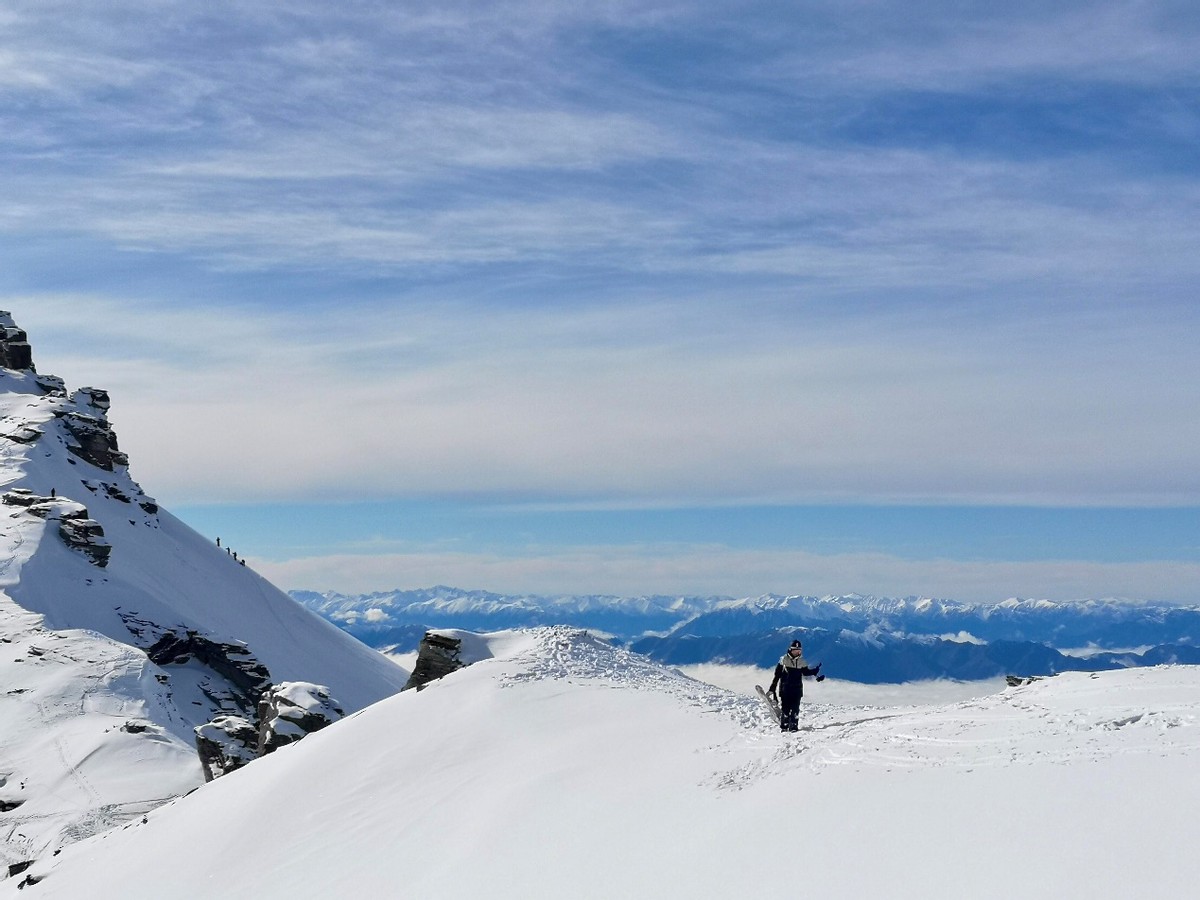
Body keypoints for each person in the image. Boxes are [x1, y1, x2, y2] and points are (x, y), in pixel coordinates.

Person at [767, 639, 822, 732]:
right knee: (786, 709)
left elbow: (805, 672)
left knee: (795, 709)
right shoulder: (783, 660)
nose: (797, 652)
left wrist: (814, 671)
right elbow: (777, 675)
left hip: (797, 690)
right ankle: (784, 726)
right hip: (785, 690)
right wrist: (772, 688)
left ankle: (794, 726)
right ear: (790, 650)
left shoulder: (801, 661)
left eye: (799, 650)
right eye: (795, 650)